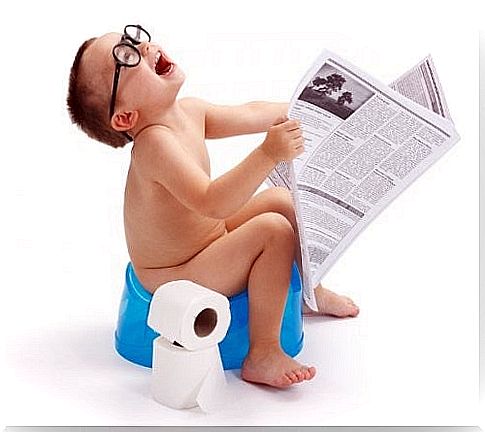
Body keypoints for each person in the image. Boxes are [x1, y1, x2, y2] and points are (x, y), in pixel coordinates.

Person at [67, 25, 359, 389]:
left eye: (135, 42)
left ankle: (311, 292)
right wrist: (268, 153)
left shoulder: (189, 111)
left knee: (282, 202)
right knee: (273, 231)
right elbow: (213, 201)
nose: (144, 49)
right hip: (175, 272)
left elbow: (253, 112)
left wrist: (312, 110)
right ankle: (263, 352)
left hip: (205, 242)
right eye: (127, 58)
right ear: (126, 117)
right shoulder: (154, 145)